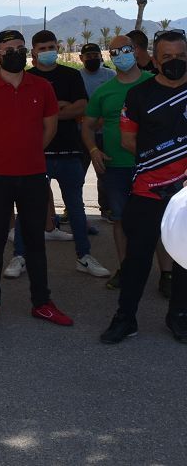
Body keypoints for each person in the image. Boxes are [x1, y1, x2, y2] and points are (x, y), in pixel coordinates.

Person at [0, 30, 73, 328]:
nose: (15, 52)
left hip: (34, 176)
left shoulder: (42, 87)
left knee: (36, 242)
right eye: (8, 48)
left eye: (19, 48)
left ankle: (42, 302)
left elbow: (49, 127)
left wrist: (32, 152)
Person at [100, 29, 187, 344]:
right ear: (154, 57)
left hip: (185, 197)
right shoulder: (139, 95)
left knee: (184, 258)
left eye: (180, 57)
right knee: (137, 258)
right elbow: (128, 139)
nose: (174, 62)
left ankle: (179, 316)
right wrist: (160, 166)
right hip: (148, 190)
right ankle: (125, 319)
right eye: (167, 57)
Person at [8, 30, 109, 279]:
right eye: (41, 48)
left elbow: (82, 107)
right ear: (33, 52)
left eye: (51, 46)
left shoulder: (71, 75)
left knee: (76, 207)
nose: (47, 52)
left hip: (70, 152)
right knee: (27, 207)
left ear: (59, 47)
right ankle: (19, 256)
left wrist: (46, 111)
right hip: (36, 154)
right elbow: (23, 114)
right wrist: (62, 107)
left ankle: (84, 256)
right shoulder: (26, 78)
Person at [82, 36, 152, 291]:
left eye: (125, 50)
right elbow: (87, 126)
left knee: (157, 221)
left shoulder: (153, 83)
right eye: (114, 52)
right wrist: (93, 150)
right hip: (116, 168)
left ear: (134, 51)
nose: (120, 55)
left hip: (151, 166)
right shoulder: (104, 91)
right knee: (120, 220)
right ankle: (125, 270)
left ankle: (166, 273)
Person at [79, 43, 115, 220]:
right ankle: (73, 209)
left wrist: (101, 120)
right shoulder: (76, 77)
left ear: (101, 56)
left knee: (105, 175)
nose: (92, 58)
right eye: (88, 56)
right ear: (81, 58)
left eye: (95, 55)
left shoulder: (110, 75)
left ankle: (106, 209)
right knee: (78, 176)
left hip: (106, 135)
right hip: (83, 135)